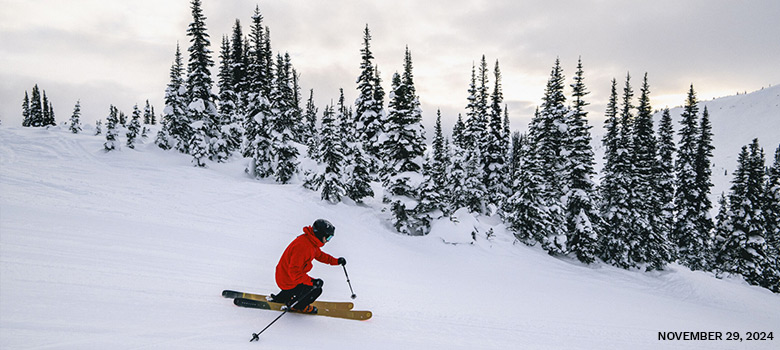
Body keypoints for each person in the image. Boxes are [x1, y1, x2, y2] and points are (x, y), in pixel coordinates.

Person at [270, 219, 346, 314]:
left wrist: (336, 261)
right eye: (328, 237)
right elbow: (294, 273)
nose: (328, 241)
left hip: (285, 276)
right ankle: (297, 306)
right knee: (316, 290)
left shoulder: (310, 242)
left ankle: (284, 296)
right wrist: (313, 282)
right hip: (287, 280)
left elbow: (320, 255)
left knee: (308, 284)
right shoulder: (303, 247)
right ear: (320, 234)